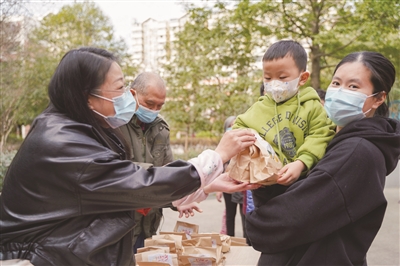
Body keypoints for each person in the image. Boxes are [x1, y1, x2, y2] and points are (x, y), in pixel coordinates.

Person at [0, 47, 259, 266]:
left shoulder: (83, 128)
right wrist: (216, 155)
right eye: (121, 88)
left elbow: (125, 188)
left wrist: (208, 183)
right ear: (87, 96)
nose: (128, 98)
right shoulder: (62, 142)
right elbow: (139, 182)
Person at [246, 51, 400, 265]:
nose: (339, 92)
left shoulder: (357, 151)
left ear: (378, 98)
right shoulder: (325, 141)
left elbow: (294, 217)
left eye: (353, 87)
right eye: (336, 83)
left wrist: (253, 225)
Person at [234, 40, 335, 185]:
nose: (274, 83)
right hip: (267, 184)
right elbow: (238, 128)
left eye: (282, 77)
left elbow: (320, 135)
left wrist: (301, 162)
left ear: (303, 78)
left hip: (304, 181)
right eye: (268, 78)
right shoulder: (259, 107)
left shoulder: (312, 106)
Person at [119, 72, 174, 253]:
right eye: (150, 104)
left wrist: (178, 198)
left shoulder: (161, 129)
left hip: (148, 226)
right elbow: (115, 173)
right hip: (121, 229)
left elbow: (168, 173)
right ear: (133, 94)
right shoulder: (115, 124)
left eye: (160, 105)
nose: (154, 110)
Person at [216, 116, 247, 240]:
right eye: (230, 125)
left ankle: (246, 241)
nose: (233, 127)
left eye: (236, 125)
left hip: (241, 183)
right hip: (226, 183)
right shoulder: (223, 144)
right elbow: (219, 165)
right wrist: (218, 188)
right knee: (230, 214)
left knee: (244, 213)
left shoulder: (243, 143)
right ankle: (229, 240)